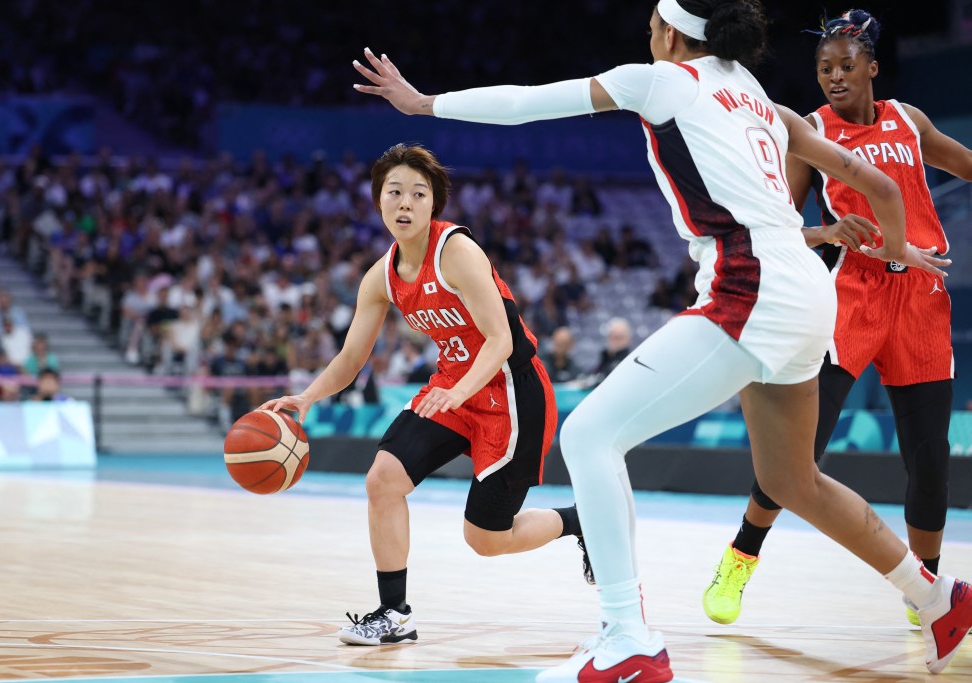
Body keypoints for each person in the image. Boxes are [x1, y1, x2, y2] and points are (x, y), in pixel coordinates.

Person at [352, 0, 970, 680]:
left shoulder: (664, 80)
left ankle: (628, 637)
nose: (647, 36)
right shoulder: (754, 92)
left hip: (752, 287)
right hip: (809, 292)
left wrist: (423, 103)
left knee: (589, 435)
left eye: (652, 27)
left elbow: (529, 103)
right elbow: (877, 181)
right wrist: (896, 250)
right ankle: (938, 595)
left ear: (672, 34)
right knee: (795, 479)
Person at [702, 8, 972, 628]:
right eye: (824, 69)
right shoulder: (814, 132)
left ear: (873, 68)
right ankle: (740, 557)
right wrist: (826, 230)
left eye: (847, 66)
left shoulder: (908, 119)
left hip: (922, 301)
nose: (834, 77)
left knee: (929, 458)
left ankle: (925, 589)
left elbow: (962, 163)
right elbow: (781, 226)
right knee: (800, 451)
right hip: (850, 294)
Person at [260, 144, 590, 648]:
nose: (406, 203)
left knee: (485, 539)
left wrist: (457, 392)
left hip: (512, 391)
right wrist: (305, 398)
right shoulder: (381, 276)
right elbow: (351, 359)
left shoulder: (456, 251)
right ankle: (393, 615)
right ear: (379, 202)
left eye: (419, 193)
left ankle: (579, 521)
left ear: (434, 204)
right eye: (395, 193)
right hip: (453, 387)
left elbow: (501, 340)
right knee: (383, 479)